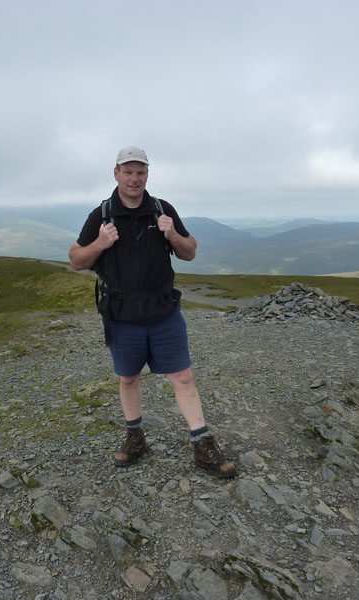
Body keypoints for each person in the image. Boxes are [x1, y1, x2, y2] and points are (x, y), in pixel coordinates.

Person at [69, 145, 237, 478]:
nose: (135, 178)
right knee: (128, 378)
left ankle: (203, 445)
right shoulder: (101, 215)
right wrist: (100, 244)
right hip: (121, 313)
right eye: (128, 171)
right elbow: (76, 260)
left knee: (183, 376)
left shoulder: (162, 209)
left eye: (141, 172)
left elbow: (189, 252)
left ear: (148, 174)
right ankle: (135, 436)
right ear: (116, 173)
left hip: (163, 310)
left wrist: (172, 233)